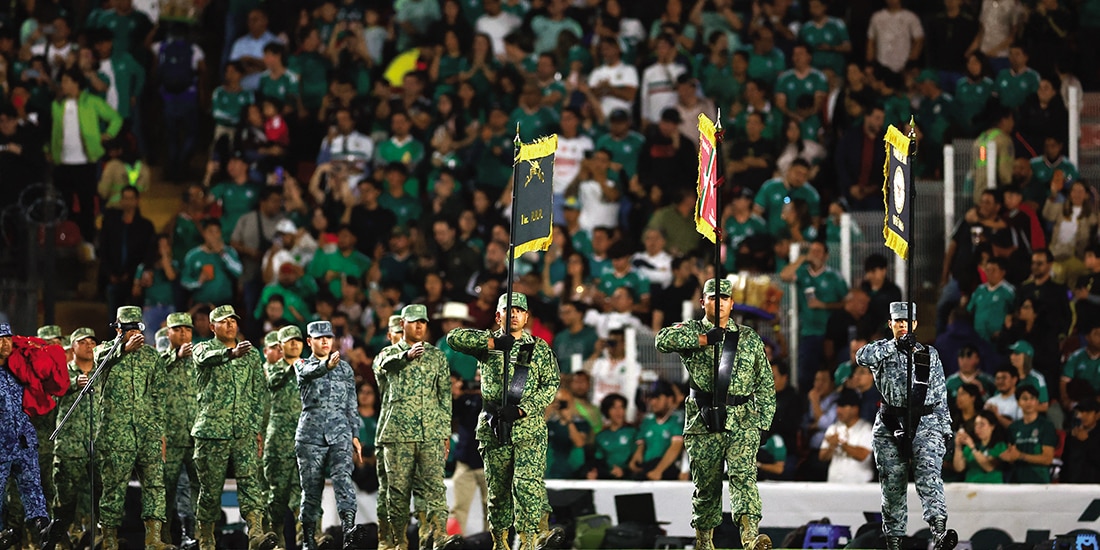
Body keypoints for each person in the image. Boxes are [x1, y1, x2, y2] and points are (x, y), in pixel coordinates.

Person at [655, 278, 775, 550]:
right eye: (712, 298)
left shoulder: (748, 338)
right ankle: (704, 541)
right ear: (703, 302)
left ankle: (750, 537)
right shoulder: (693, 330)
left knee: (744, 477)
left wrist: (764, 422)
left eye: (724, 298)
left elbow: (765, 383)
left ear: (732, 304)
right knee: (707, 487)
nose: (718, 303)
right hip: (703, 420)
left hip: (742, 419)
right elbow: (662, 340)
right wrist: (703, 339)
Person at [446, 292, 563, 550]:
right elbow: (453, 338)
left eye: (519, 311)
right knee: (498, 493)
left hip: (528, 428)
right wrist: (493, 343)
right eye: (508, 311)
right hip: (495, 427)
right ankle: (500, 542)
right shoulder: (488, 345)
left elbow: (550, 385)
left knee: (526, 485)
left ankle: (528, 542)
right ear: (498, 316)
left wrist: (523, 410)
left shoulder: (539, 348)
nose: (514, 315)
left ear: (526, 317)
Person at [856, 302, 956, 550]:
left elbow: (940, 394)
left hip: (926, 421)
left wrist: (946, 429)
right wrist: (895, 346)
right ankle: (894, 541)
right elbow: (861, 357)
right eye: (898, 321)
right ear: (890, 324)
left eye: (907, 322)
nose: (902, 325)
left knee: (928, 474)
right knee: (893, 484)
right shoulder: (882, 351)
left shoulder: (928, 354)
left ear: (915, 324)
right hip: (890, 424)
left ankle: (939, 531)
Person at [190, 305, 276, 550]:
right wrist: (231, 354)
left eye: (233, 321)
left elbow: (258, 394)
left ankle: (255, 534)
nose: (230, 325)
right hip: (212, 431)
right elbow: (204, 359)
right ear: (212, 326)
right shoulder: (203, 348)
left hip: (243, 431)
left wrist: (256, 427)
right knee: (210, 490)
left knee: (251, 484)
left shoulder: (251, 354)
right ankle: (207, 539)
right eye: (223, 321)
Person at [373, 305, 456, 550]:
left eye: (423, 322)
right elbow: (382, 366)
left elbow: (444, 396)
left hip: (430, 433)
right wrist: (406, 356)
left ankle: (439, 536)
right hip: (398, 435)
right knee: (398, 492)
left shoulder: (437, 356)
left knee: (435, 488)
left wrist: (445, 432)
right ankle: (398, 541)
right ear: (403, 324)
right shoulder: (388, 353)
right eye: (414, 321)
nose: (419, 326)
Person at [91, 306, 172, 550]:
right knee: (114, 487)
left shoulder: (151, 357)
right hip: (117, 433)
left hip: (147, 433)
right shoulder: (105, 351)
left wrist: (159, 431)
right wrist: (123, 349)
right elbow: (100, 358)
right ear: (118, 330)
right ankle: (109, 539)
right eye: (129, 328)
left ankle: (153, 539)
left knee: (155, 485)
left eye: (138, 328)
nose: (135, 333)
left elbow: (159, 396)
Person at [295, 320, 364, 550]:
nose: (325, 341)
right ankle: (308, 538)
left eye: (328, 337)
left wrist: (355, 434)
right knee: (311, 489)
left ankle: (349, 533)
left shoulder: (345, 369)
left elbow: (351, 404)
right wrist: (327, 365)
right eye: (319, 338)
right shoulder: (302, 364)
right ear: (309, 341)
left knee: (343, 479)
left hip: (339, 433)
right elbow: (309, 372)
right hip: (310, 436)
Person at [0, 322, 52, 550]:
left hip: (23, 441)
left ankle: (43, 528)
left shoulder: (20, 370)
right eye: (0, 339)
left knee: (33, 487)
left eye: (8, 338)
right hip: (1, 444)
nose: (5, 343)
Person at [49, 328, 97, 547]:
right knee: (65, 496)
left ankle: (89, 535)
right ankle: (59, 537)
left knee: (93, 495)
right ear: (72, 347)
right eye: (83, 342)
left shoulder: (102, 371)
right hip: (69, 444)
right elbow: (51, 395)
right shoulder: (62, 372)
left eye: (92, 342)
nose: (89, 346)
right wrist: (72, 384)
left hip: (96, 442)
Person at [160, 312, 199, 547]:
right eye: (178, 329)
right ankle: (162, 539)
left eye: (187, 329)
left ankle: (195, 536)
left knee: (198, 489)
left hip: (195, 436)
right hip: (170, 437)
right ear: (168, 333)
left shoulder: (199, 360)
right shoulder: (159, 360)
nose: (183, 333)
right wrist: (176, 356)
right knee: (164, 490)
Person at [266, 325, 304, 548]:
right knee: (277, 495)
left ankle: (307, 537)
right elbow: (273, 381)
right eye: (289, 341)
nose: (294, 344)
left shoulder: (310, 368)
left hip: (304, 439)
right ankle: (276, 539)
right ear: (280, 347)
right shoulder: (272, 369)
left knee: (304, 491)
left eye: (298, 340)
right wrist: (294, 368)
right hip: (278, 442)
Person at [627, 380, 684, 480]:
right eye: (651, 398)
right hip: (647, 469)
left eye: (658, 398)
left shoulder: (677, 420)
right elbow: (641, 443)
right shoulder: (648, 420)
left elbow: (676, 447)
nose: (653, 402)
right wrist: (636, 457)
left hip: (667, 471)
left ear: (670, 399)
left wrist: (659, 470)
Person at [1000, 385, 1056, 483]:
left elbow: (1047, 459)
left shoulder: (1046, 426)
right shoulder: (1013, 428)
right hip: (1017, 481)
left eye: (1032, 398)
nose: (1029, 402)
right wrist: (1006, 457)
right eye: (1024, 399)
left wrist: (1021, 456)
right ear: (1018, 402)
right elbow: (1012, 455)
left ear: (1037, 401)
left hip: (1039, 480)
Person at [819, 388, 874, 483]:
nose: (838, 410)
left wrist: (840, 444)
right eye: (838, 406)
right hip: (834, 483)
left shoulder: (866, 429)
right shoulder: (833, 428)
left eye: (843, 406)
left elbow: (862, 455)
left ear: (855, 409)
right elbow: (822, 457)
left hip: (860, 485)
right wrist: (831, 446)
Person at [951, 410, 1007, 483]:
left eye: (982, 424)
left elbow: (989, 467)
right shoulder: (969, 447)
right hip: (971, 485)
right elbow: (959, 468)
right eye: (976, 425)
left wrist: (973, 448)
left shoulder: (1000, 446)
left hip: (992, 485)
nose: (978, 428)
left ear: (992, 426)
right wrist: (958, 447)